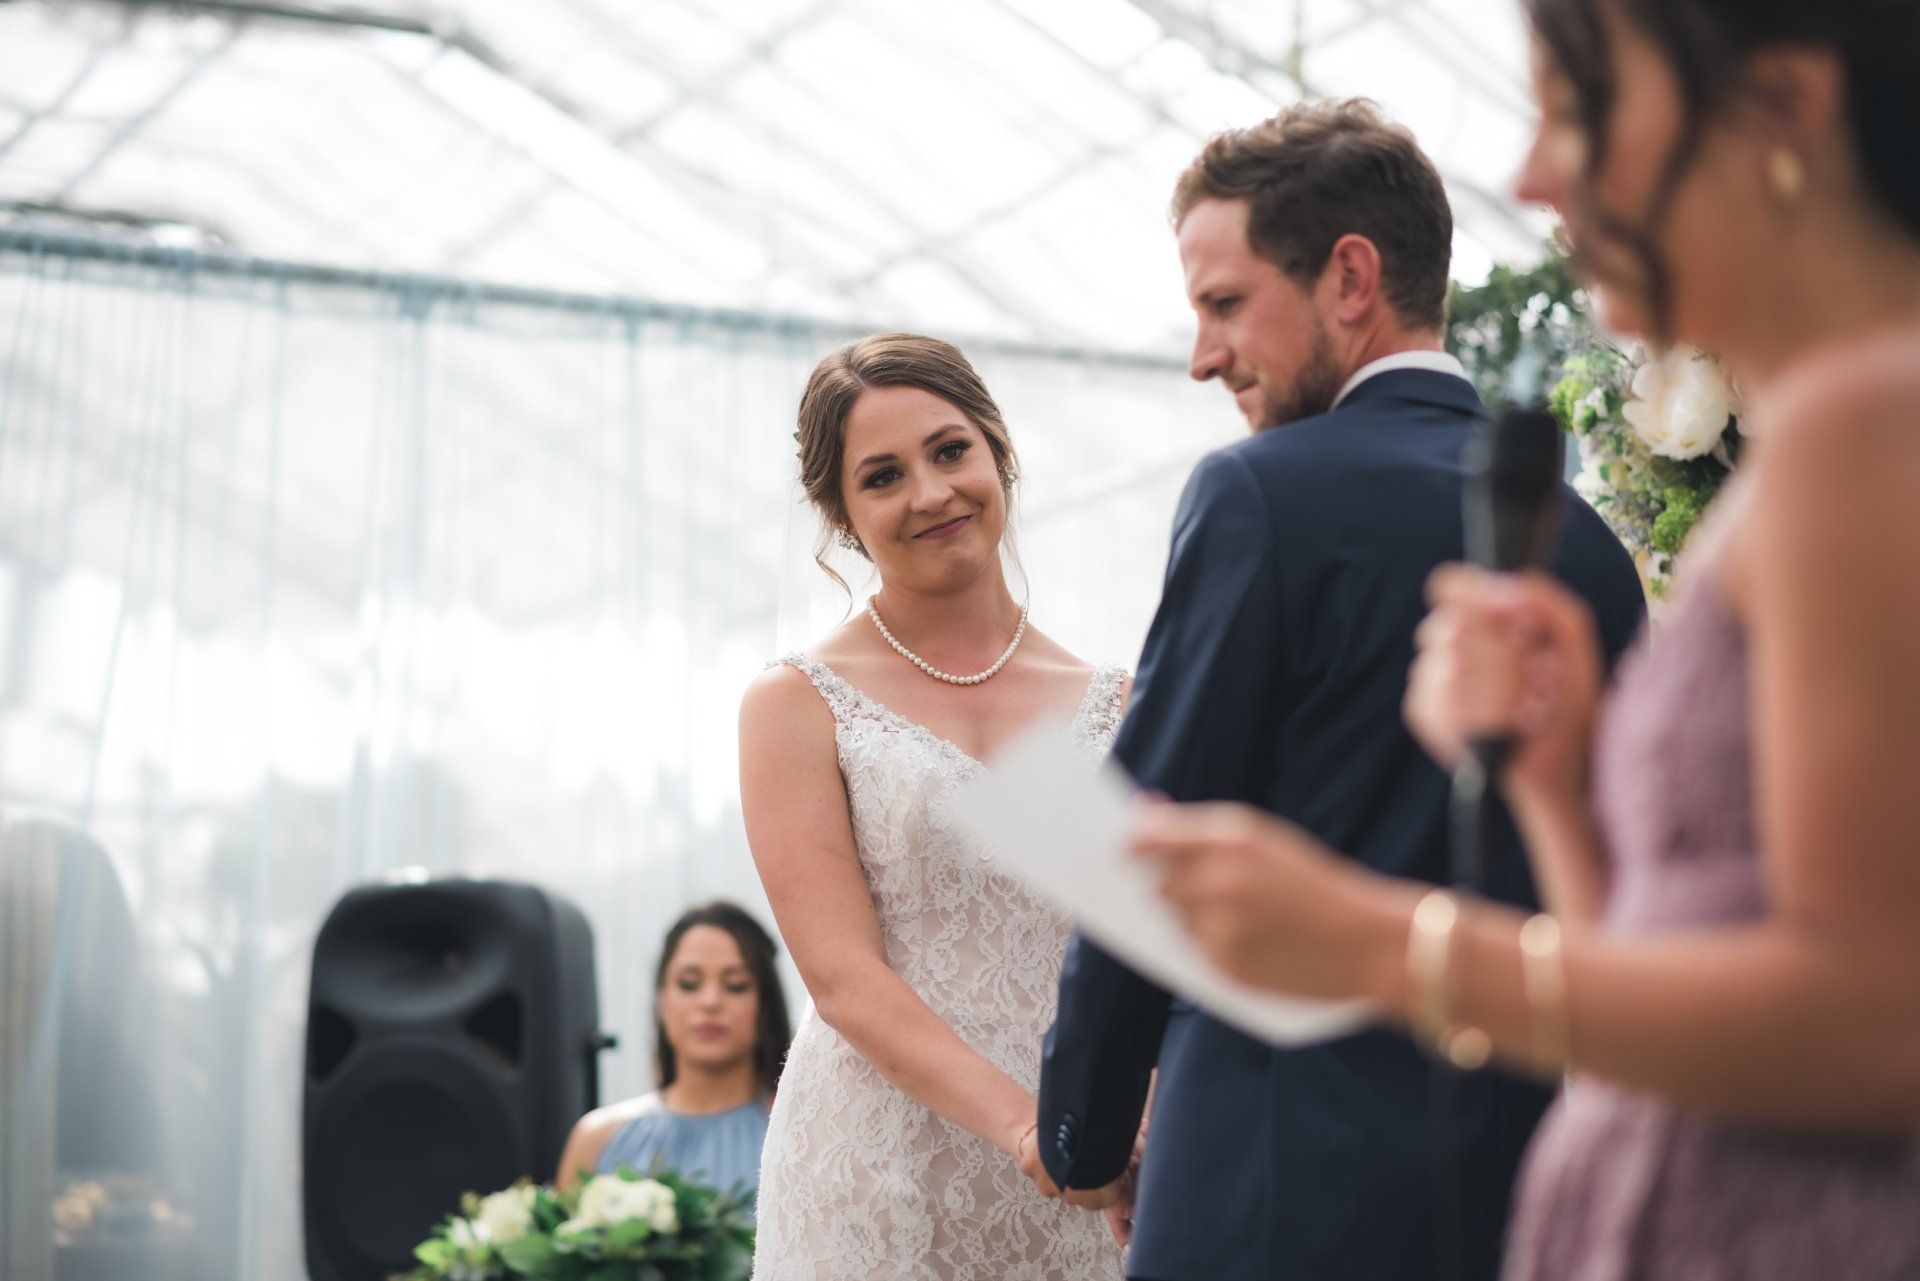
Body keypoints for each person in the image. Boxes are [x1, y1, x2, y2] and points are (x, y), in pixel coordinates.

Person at [1135, 3, 1920, 1278]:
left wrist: (1380, 946)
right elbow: (1695, 959)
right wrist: (1563, 792)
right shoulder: (1808, 452)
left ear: (1782, 107)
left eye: (1576, 110)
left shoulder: (1867, 430)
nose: (1532, 176)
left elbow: (1881, 1024)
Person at [1029, 102, 1646, 1280]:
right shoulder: (1591, 551)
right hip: (1525, 1186)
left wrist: (1087, 1134)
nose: (1204, 355)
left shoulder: (1259, 495)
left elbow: (1151, 840)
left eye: (1223, 305)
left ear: (1350, 278)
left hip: (1270, 1185)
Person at [741, 333, 1129, 1280]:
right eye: (883, 476)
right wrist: (1029, 1127)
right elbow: (842, 977)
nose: (930, 493)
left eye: (950, 450)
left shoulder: (1122, 702)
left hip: (1085, 1170)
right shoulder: (795, 702)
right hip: (880, 1172)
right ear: (843, 515)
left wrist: (1119, 1117)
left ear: (999, 452)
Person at [554, 901, 790, 1210]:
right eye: (689, 984)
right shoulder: (595, 1139)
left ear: (766, 1005)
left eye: (736, 985)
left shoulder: (797, 1134)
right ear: (662, 999)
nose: (710, 1001)